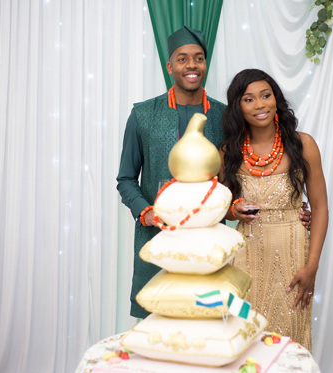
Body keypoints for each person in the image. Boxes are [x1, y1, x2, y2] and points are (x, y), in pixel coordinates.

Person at [116, 27, 312, 319]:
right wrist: (145, 213)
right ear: (170, 67)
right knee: (158, 325)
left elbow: (244, 170)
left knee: (209, 324)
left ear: (206, 64)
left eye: (198, 58)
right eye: (182, 59)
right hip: (158, 239)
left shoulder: (226, 117)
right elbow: (126, 179)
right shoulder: (143, 115)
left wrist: (288, 204)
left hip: (211, 241)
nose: (191, 65)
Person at [219, 69, 328, 350]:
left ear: (276, 99)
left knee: (290, 339)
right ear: (238, 107)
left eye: (265, 96)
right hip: (246, 258)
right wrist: (234, 209)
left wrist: (312, 266)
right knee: (245, 336)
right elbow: (221, 209)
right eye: (249, 99)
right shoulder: (228, 151)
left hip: (293, 253)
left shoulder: (304, 145)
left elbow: (320, 207)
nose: (260, 105)